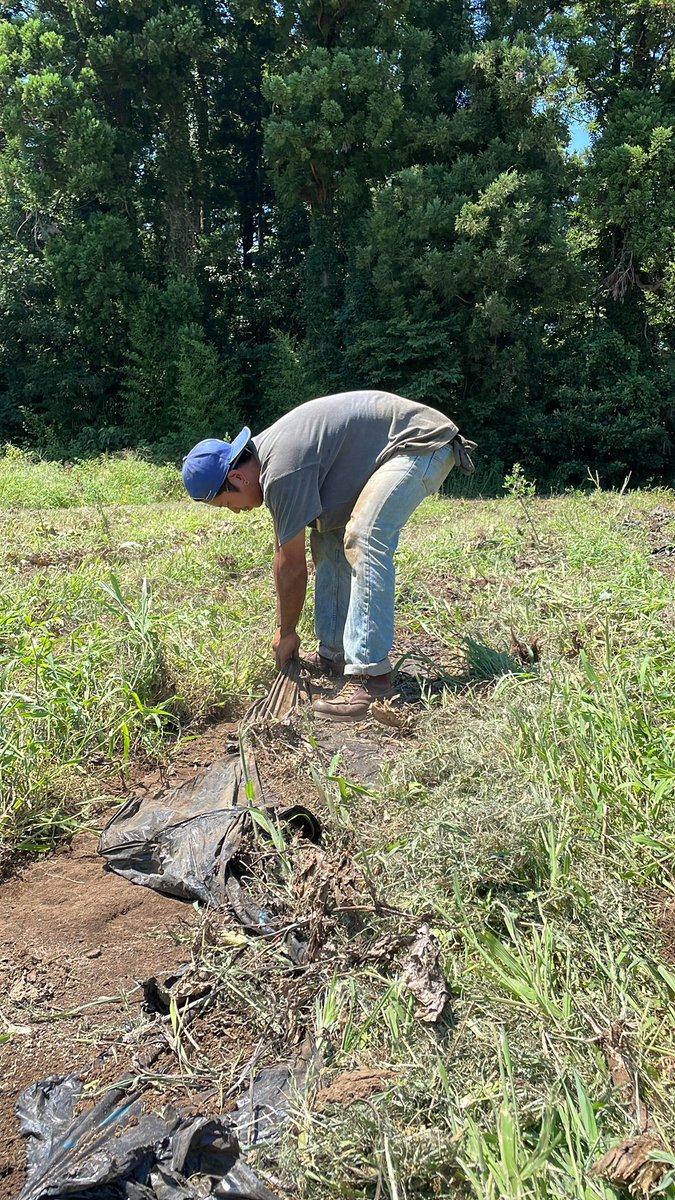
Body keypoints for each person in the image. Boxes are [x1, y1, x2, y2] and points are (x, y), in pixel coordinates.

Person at [182, 390, 475, 721]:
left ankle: (370, 679)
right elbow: (287, 551)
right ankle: (334, 655)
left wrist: (286, 631)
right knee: (327, 537)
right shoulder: (270, 460)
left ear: (237, 477)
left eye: (226, 504)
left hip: (418, 444)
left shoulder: (280, 472)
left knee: (365, 536)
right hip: (394, 449)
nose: (236, 512)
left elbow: (290, 565)